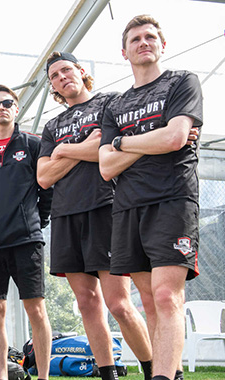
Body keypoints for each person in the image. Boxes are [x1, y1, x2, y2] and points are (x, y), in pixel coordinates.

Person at [37, 52, 154, 380]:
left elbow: (106, 144)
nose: (62, 77)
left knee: (118, 304)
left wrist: (64, 150)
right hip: (64, 216)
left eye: (66, 70)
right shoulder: (52, 125)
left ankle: (154, 370)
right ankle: (107, 374)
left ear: (81, 71)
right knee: (87, 303)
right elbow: (44, 177)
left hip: (105, 208)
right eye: (55, 76)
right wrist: (81, 148)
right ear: (53, 86)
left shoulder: (108, 104)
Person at [98, 15, 203, 380]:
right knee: (148, 302)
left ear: (162, 44)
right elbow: (106, 167)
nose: (143, 42)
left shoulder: (182, 82)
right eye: (135, 39)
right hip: (128, 206)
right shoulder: (114, 105)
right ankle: (170, 374)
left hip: (173, 199)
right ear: (124, 52)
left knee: (165, 296)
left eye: (150, 37)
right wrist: (151, 139)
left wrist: (122, 142)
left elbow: (175, 139)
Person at [0, 85, 53, 380]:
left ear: (16, 109)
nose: (1, 107)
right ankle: (1, 376)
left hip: (26, 240)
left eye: (8, 103)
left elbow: (47, 189)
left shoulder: (34, 144)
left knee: (36, 311)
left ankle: (43, 376)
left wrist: (34, 221)